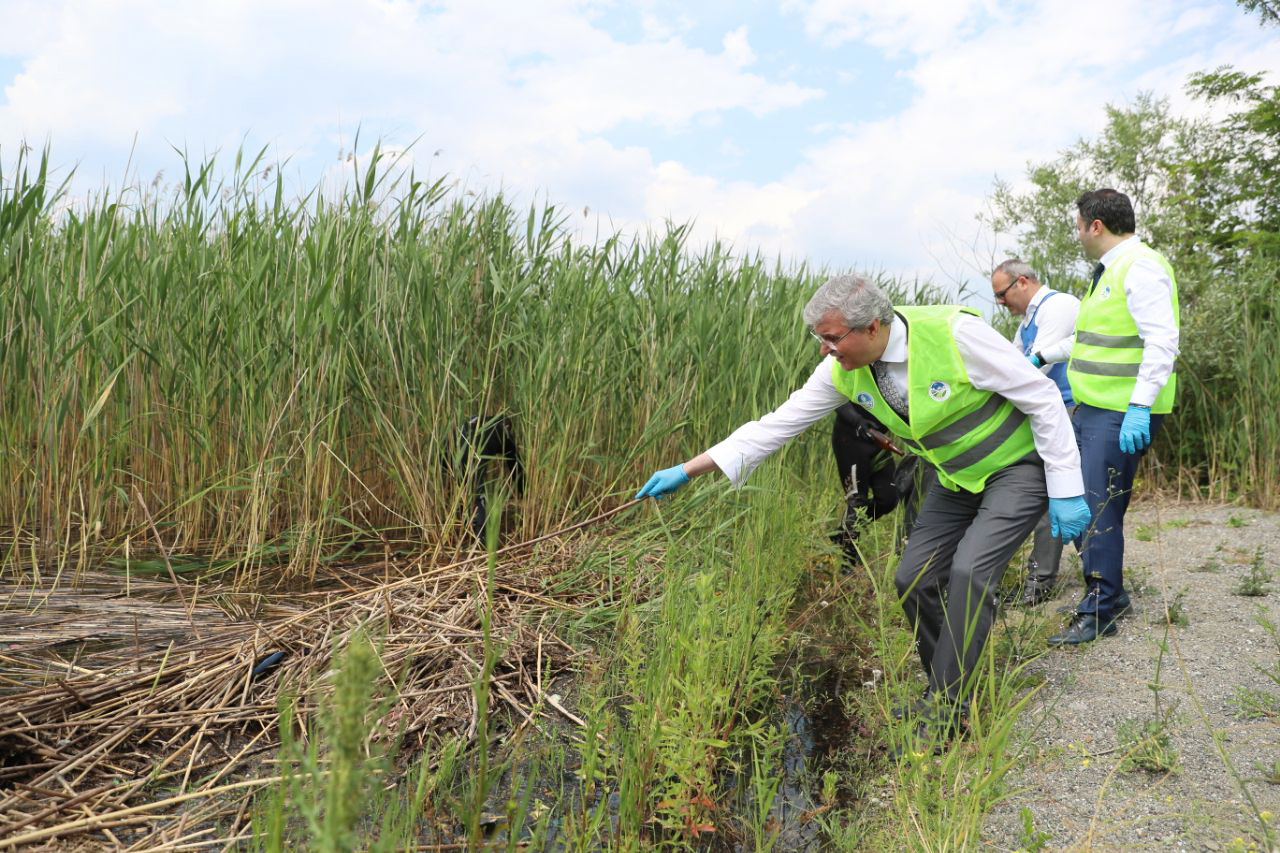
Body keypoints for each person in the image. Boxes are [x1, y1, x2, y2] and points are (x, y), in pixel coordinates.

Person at [635, 275, 1089, 741]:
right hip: (957, 477)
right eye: (820, 338)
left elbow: (1041, 395)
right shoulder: (842, 371)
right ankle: (946, 690)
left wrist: (1066, 486)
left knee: (971, 574)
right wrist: (689, 470)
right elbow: (775, 426)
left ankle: (946, 713)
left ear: (872, 327)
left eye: (832, 338)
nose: (825, 350)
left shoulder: (954, 334)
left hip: (1017, 467)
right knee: (913, 577)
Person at [1033, 189, 1180, 645]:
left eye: (1078, 225)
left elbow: (1162, 341)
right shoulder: (1109, 272)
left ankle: (1100, 609)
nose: (1077, 235)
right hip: (1094, 407)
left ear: (1095, 225)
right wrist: (1042, 356)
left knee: (1098, 505)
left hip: (1120, 411)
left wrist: (1139, 407)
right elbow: (1091, 339)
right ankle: (1108, 593)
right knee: (1089, 499)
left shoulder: (1141, 267)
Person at [990, 259, 1080, 607]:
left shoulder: (1058, 306)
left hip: (1067, 411)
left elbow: (1035, 371)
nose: (1000, 302)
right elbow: (1012, 362)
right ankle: (1060, 578)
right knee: (1055, 495)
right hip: (1044, 413)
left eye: (1001, 294)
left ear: (1022, 282)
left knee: (1059, 494)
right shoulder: (1029, 319)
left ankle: (1044, 583)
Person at [829, 402, 900, 567]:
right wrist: (857, 420)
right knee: (857, 502)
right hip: (850, 439)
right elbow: (835, 396)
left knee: (889, 498)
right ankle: (848, 564)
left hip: (878, 441)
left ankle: (843, 532)